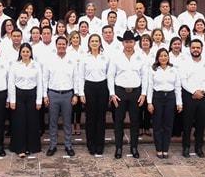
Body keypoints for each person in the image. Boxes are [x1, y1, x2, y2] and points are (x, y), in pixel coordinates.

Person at [108, 30, 148, 159]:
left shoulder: (141, 57)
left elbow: (145, 76)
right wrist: (112, 94)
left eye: (131, 42)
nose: (129, 44)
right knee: (118, 121)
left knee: (135, 121)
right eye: (126, 42)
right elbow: (110, 75)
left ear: (135, 42)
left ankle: (134, 147)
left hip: (135, 93)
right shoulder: (116, 57)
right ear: (122, 43)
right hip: (120, 92)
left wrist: (143, 94)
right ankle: (118, 147)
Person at [43, 36, 80, 157]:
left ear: (67, 45)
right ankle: (52, 145)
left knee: (67, 121)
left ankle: (68, 145)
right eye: (59, 44)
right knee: (52, 121)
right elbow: (45, 78)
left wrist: (76, 94)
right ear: (56, 45)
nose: (61, 46)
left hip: (67, 94)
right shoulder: (49, 60)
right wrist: (45, 95)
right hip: (53, 94)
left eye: (64, 44)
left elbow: (76, 78)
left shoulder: (72, 60)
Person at [178, 39, 205, 158]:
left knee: (201, 123)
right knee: (187, 123)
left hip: (204, 96)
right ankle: (186, 147)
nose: (195, 50)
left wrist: (203, 91)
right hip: (189, 96)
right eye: (193, 48)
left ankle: (199, 147)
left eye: (198, 48)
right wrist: (194, 91)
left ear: (202, 49)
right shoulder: (184, 62)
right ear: (190, 49)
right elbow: (183, 80)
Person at [8, 43, 43, 157]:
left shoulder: (36, 65)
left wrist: (39, 101)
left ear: (31, 53)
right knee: (19, 122)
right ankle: (20, 148)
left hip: (32, 94)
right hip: (19, 95)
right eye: (23, 52)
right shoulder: (15, 65)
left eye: (27, 51)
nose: (25, 54)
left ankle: (31, 147)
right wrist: (12, 100)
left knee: (32, 122)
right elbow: (11, 83)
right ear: (20, 53)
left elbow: (39, 83)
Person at [78, 34, 110, 157]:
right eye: (93, 41)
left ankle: (99, 145)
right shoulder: (84, 58)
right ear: (89, 43)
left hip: (102, 87)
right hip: (89, 88)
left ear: (100, 43)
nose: (95, 43)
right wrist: (81, 93)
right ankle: (91, 144)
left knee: (101, 118)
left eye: (97, 41)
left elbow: (109, 74)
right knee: (90, 118)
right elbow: (81, 76)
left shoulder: (105, 57)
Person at [147, 48, 182, 159]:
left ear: (168, 57)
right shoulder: (153, 70)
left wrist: (179, 102)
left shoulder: (174, 70)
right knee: (157, 125)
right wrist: (149, 102)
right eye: (161, 56)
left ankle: (165, 149)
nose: (163, 58)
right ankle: (159, 149)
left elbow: (177, 87)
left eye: (165, 55)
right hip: (157, 97)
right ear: (157, 58)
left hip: (170, 98)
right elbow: (150, 87)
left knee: (168, 125)